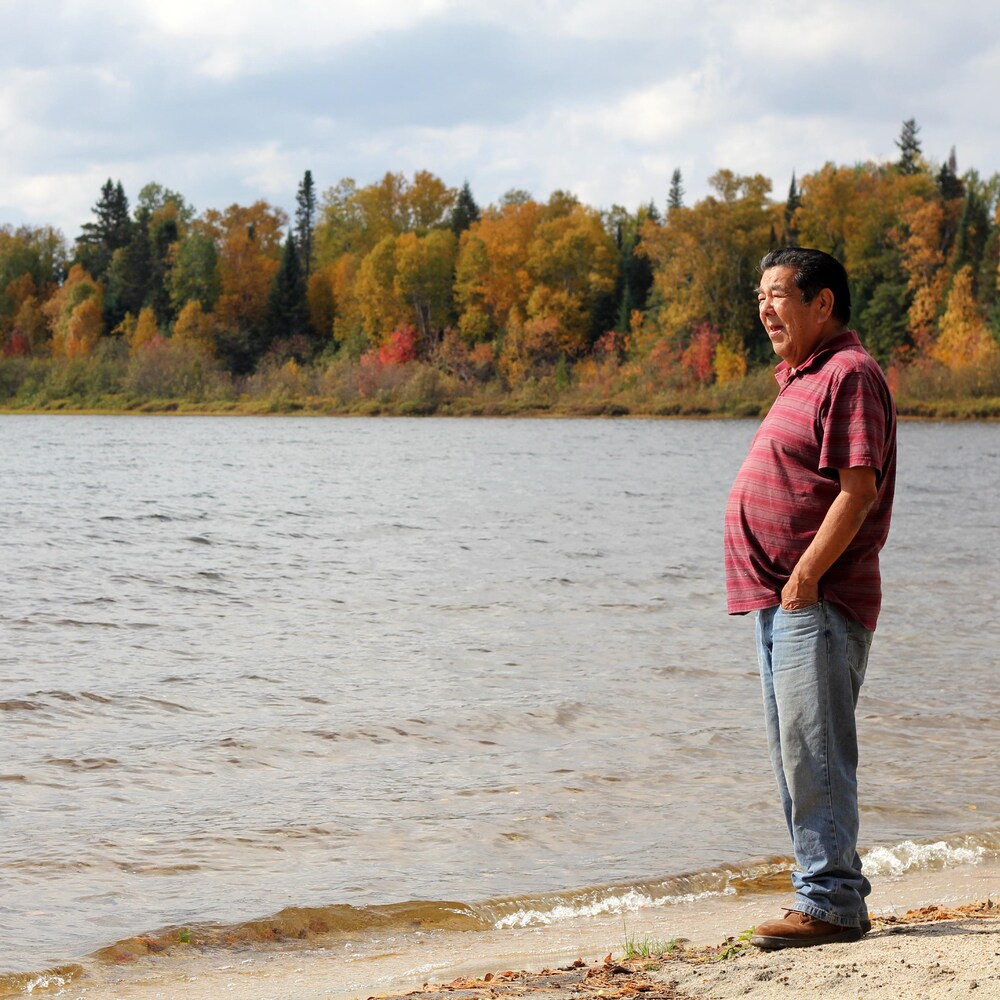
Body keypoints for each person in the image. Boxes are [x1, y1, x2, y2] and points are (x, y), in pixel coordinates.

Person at [724, 247, 897, 949]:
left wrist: (803, 579)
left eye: (778, 294)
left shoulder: (849, 373)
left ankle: (830, 903)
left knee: (815, 754)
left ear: (822, 303)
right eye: (759, 295)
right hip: (780, 600)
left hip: (814, 599)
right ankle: (824, 892)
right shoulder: (804, 377)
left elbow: (859, 490)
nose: (765, 308)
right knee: (797, 755)